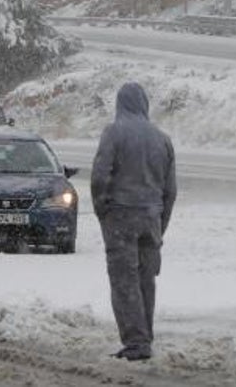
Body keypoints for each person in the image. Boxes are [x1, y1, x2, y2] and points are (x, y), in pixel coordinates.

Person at [91, 83, 177, 362]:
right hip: (151, 216)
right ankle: (145, 336)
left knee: (124, 280)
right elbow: (170, 190)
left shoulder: (114, 133)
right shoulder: (162, 139)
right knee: (145, 280)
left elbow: (100, 175)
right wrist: (160, 223)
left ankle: (136, 341)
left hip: (121, 217)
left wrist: (102, 209)